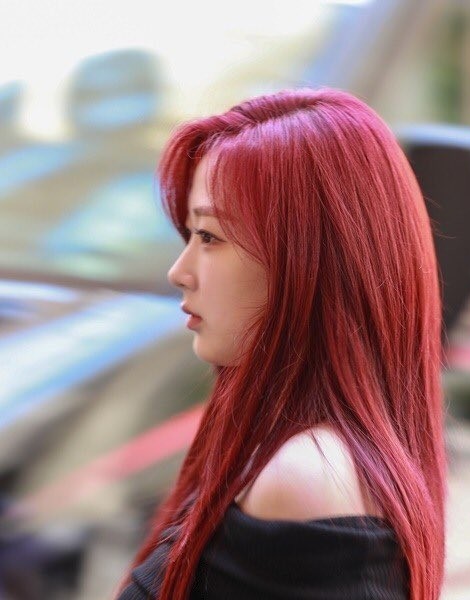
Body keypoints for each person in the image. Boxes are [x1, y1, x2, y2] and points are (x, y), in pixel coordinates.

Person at [115, 87, 447, 600]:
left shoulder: (305, 479)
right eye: (189, 236)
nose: (179, 272)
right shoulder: (293, 459)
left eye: (210, 237)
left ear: (313, 261)